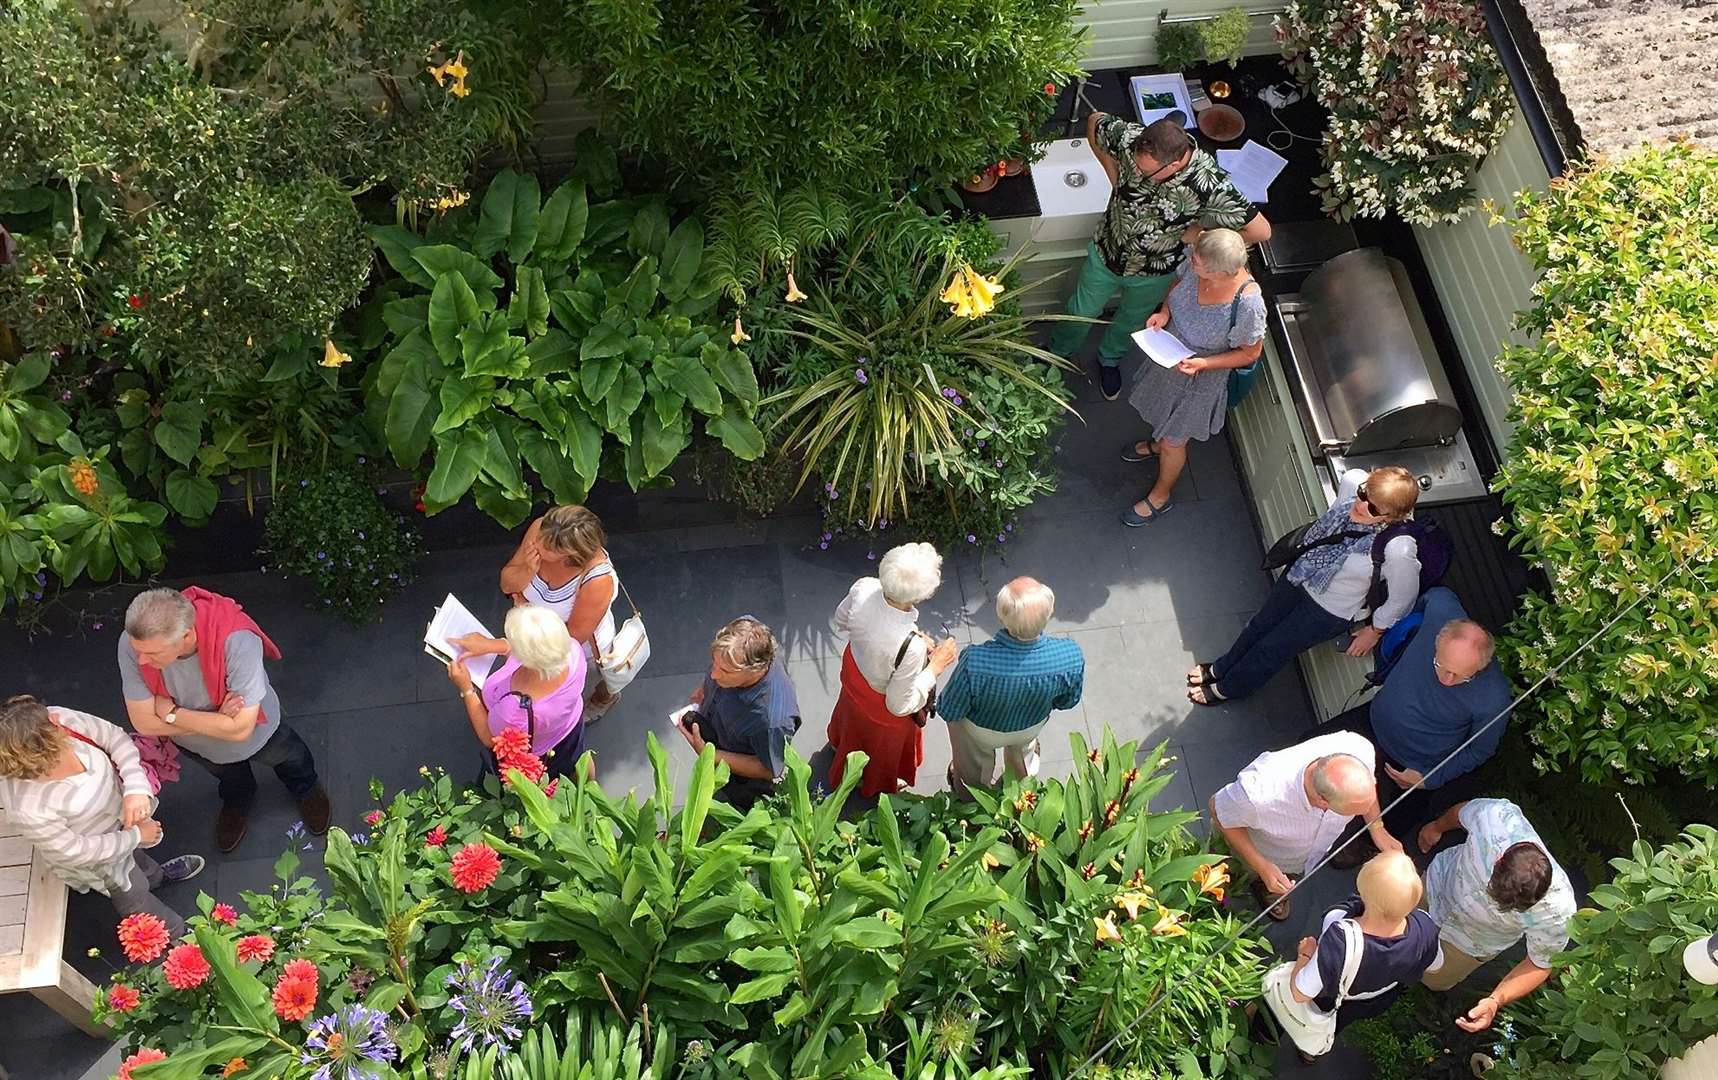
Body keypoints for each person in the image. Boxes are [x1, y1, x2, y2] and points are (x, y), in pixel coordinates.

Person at [1048, 113, 1271, 401]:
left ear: (1175, 163)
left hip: (1155, 269)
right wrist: (1113, 175)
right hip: (1108, 249)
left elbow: (1261, 230)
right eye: (1137, 168)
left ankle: (1109, 359)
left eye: (1148, 172)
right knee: (1080, 310)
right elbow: (1095, 121)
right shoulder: (1129, 138)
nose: (1139, 175)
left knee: (1131, 319)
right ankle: (1058, 353)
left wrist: (1200, 236)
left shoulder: (1208, 184)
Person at [1188, 466, 1422, 705]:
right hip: (1300, 575)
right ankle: (1221, 667)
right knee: (1258, 625)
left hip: (1328, 611)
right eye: (1364, 494)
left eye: (1373, 508)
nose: (1361, 505)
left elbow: (1403, 598)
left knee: (1273, 648)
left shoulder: (1398, 550)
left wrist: (1374, 631)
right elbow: (1351, 482)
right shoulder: (1354, 483)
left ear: (1391, 518)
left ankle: (1228, 688)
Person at [1301, 588, 1512, 853]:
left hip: (1416, 763)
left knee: (1397, 820)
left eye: (1460, 676)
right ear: (1438, 639)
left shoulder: (1494, 698)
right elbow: (1434, 595)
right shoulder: (1440, 610)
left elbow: (1481, 750)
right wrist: (1387, 630)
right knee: (1308, 745)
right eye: (1441, 665)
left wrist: (1430, 778)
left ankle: (1366, 846)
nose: (1446, 680)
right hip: (1374, 719)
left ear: (1480, 668)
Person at [118, 587, 328, 853]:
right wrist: (220, 721)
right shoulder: (134, 643)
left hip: (259, 733)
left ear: (186, 636)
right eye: (139, 652)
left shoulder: (237, 640)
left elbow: (241, 730)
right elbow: (144, 723)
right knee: (228, 776)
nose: (141, 660)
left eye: (153, 654)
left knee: (290, 757)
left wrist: (172, 714)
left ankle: (306, 788)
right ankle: (238, 799)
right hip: (200, 746)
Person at [0, 695, 204, 937]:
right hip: (102, 860)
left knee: (139, 862)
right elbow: (74, 851)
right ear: (37, 753)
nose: (57, 718)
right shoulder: (28, 806)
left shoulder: (59, 719)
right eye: (52, 725)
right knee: (133, 893)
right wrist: (135, 836)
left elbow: (115, 737)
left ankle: (157, 877)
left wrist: (136, 788)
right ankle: (175, 934)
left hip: (124, 822)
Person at [1121, 228, 1265, 526]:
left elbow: (1249, 354)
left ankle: (1160, 496)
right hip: (1170, 357)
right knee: (1164, 415)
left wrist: (1203, 364)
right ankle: (1159, 444)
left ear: (1220, 272)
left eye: (1198, 262)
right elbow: (1177, 282)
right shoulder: (1198, 260)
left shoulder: (1249, 305)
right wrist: (1164, 313)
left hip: (1199, 379)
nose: (1191, 261)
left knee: (1176, 441)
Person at [1417, 798, 1576, 1033]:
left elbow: (1539, 964)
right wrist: (1436, 827)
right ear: (1499, 859)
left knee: (1432, 978)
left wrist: (1495, 1000)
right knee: (1391, 926)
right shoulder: (1496, 818)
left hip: (1468, 943)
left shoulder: (1557, 912)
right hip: (1436, 886)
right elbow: (1463, 813)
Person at [1209, 732, 1402, 921]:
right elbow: (1217, 809)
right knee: (1226, 874)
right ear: (1323, 802)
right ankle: (1212, 897)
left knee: (1282, 875)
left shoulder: (1359, 750)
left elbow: (1366, 794)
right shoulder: (1258, 794)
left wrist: (1377, 827)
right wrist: (1262, 866)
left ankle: (1267, 887)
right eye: (1354, 812)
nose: (1367, 810)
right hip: (1251, 849)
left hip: (1292, 856)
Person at [1281, 852, 1444, 1061]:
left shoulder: (1339, 935)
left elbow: (1300, 992)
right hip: (1375, 998)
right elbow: (1436, 964)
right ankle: (1312, 1052)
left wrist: (1305, 954)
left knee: (1306, 1011)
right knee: (1338, 1021)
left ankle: (1267, 1034)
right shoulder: (1425, 926)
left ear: (1363, 889)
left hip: (1332, 995)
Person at [826, 543, 959, 798]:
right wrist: (936, 665)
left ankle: (840, 748)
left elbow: (842, 620)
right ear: (919, 596)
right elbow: (899, 705)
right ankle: (877, 780)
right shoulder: (912, 648)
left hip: (854, 676)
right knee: (883, 748)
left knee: (851, 723)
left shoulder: (863, 586)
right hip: (880, 705)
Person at [937, 577, 1084, 795]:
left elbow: (949, 708)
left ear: (1002, 617)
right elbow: (1067, 702)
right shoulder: (1070, 656)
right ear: (1049, 614)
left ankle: (971, 795)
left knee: (971, 767)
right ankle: (1020, 791)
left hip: (981, 731)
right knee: (1023, 758)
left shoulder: (975, 660)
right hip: (1029, 726)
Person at [499, 505, 622, 719]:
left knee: (577, 687)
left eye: (547, 547)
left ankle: (604, 697)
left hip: (573, 650)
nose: (536, 544)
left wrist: (524, 612)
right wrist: (528, 569)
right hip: (531, 637)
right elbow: (506, 584)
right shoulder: (542, 529)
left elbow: (570, 639)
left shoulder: (598, 581)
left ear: (569, 554)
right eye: (539, 537)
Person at [445, 605, 589, 779]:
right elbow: (538, 647)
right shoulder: (572, 650)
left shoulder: (514, 712)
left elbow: (488, 736)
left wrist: (466, 688)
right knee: (576, 763)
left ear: (526, 658)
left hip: (541, 752)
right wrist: (492, 645)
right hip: (570, 729)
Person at [676, 617, 801, 809]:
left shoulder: (771, 721)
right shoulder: (747, 633)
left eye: (725, 671)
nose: (714, 675)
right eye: (714, 664)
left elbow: (768, 769)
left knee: (740, 797)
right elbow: (717, 671)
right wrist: (704, 689)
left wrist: (710, 755)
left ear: (754, 671)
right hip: (721, 729)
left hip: (742, 771)